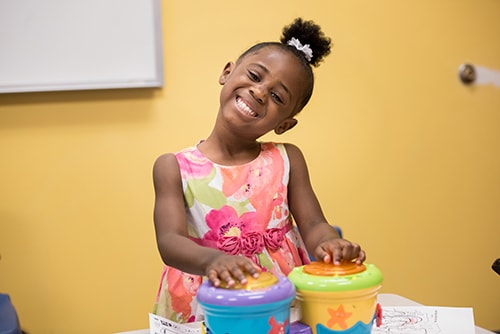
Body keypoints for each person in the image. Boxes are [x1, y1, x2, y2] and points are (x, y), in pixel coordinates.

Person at [152, 17, 366, 323]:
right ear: (227, 72)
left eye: (278, 96)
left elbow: (314, 224)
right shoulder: (173, 168)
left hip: (278, 297)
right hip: (208, 301)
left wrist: (330, 244)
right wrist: (215, 259)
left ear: (284, 124)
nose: (260, 92)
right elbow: (169, 242)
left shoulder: (288, 159)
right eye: (254, 76)